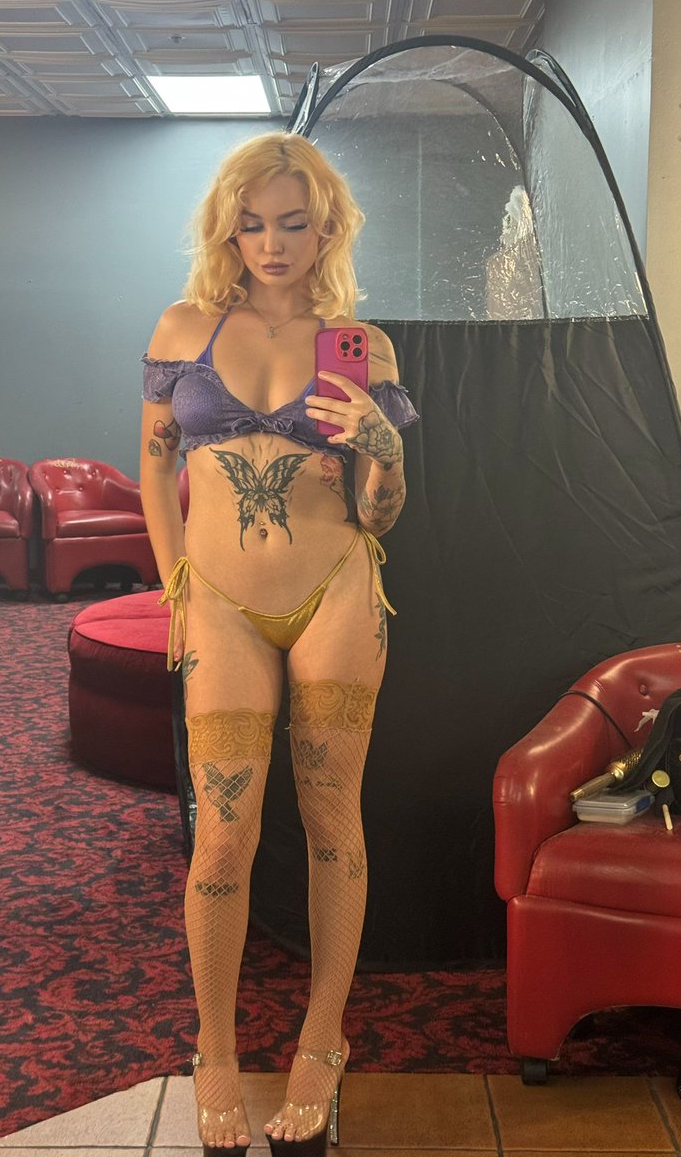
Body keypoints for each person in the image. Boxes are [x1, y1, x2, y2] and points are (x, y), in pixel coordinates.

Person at [139, 131, 419, 1157]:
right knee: (223, 835)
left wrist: (386, 453)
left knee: (332, 817)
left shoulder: (361, 346)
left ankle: (322, 1039)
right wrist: (175, 585)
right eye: (252, 224)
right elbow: (154, 465)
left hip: (336, 593)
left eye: (293, 224)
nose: (271, 243)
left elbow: (379, 516)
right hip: (220, 605)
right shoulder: (182, 328)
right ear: (228, 229)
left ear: (326, 228)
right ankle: (213, 1050)